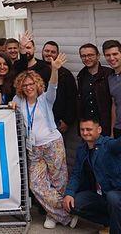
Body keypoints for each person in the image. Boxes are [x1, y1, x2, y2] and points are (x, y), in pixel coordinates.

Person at [9, 53, 76, 229]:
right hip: (33, 148)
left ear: (37, 84)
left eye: (31, 84)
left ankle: (52, 215)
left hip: (52, 143)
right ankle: (65, 215)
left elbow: (53, 85)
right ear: (21, 87)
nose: (29, 87)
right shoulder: (19, 100)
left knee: (59, 180)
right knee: (36, 184)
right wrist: (11, 104)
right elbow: (11, 104)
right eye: (25, 85)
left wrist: (54, 69)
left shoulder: (45, 98)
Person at [63, 118, 121, 233]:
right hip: (101, 196)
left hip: (117, 193)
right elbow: (76, 174)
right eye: (82, 129)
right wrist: (69, 193)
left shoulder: (108, 144)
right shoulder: (82, 149)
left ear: (99, 130)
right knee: (74, 204)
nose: (85, 132)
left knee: (113, 197)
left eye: (89, 129)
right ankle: (112, 222)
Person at [77, 43, 113, 136]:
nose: (87, 58)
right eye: (83, 56)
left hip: (105, 126)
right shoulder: (81, 76)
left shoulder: (109, 74)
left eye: (90, 55)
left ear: (98, 56)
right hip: (87, 127)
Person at [42, 41, 77, 136]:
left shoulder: (66, 74)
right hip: (40, 121)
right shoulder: (36, 71)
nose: (49, 54)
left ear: (57, 54)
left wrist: (67, 121)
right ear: (42, 51)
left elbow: (72, 98)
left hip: (58, 122)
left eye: (53, 52)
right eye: (46, 51)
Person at [103, 40, 121, 139]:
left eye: (115, 54)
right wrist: (113, 131)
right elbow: (114, 105)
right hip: (118, 129)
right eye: (108, 55)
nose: (112, 58)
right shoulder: (110, 78)